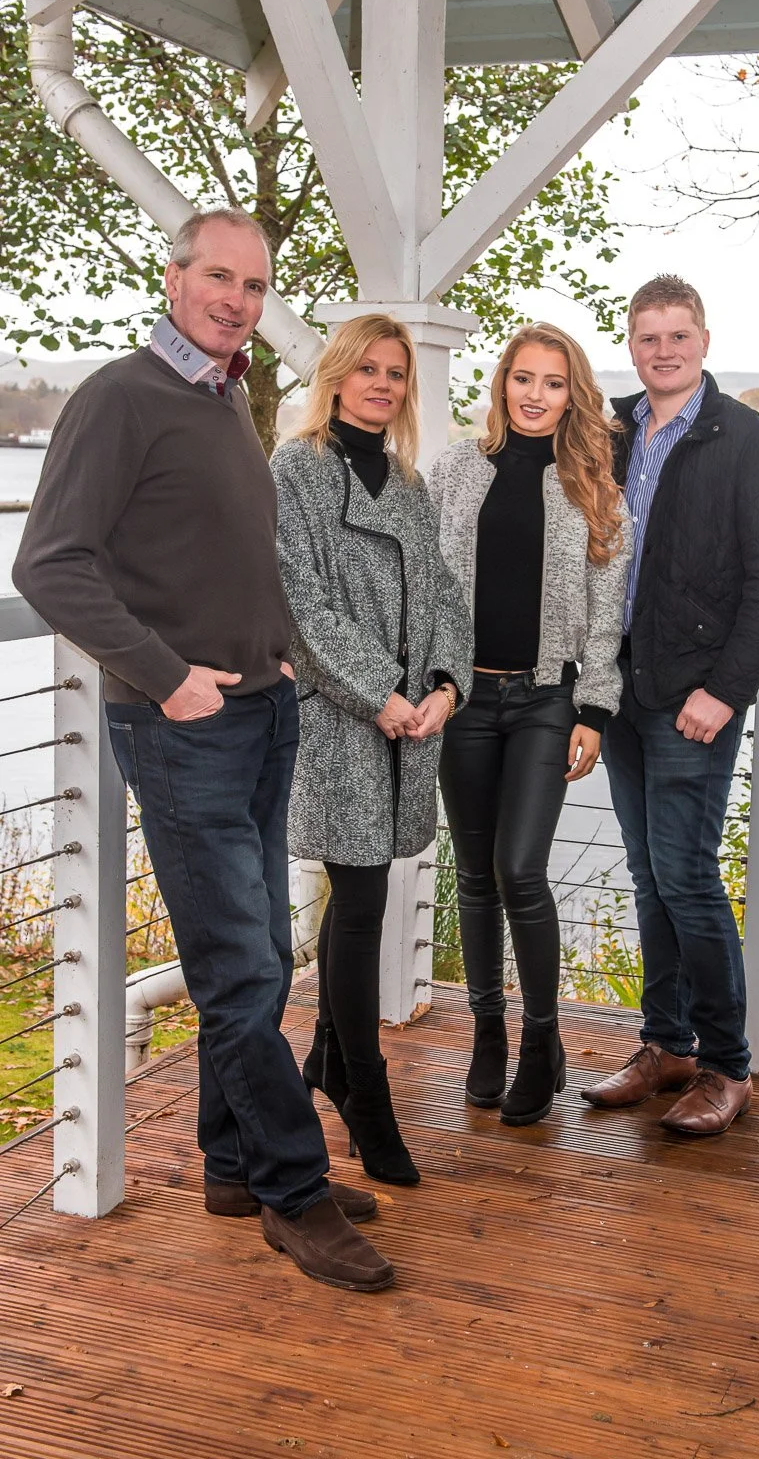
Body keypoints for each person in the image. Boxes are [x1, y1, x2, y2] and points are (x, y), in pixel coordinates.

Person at [12, 208, 393, 1292]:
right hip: (186, 728)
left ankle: (233, 1163)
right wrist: (167, 672)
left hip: (262, 712)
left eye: (254, 284)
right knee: (240, 969)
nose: (236, 299)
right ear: (174, 279)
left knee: (263, 950)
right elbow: (52, 566)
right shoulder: (121, 398)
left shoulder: (222, 398)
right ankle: (294, 1193)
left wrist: (274, 669)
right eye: (217, 277)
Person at [581, 276, 759, 1135]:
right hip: (621, 689)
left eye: (678, 335)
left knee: (687, 875)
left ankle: (725, 1065)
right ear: (630, 345)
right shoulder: (611, 428)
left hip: (693, 699)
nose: (662, 350)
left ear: (703, 340)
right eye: (647, 337)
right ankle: (664, 1045)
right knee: (647, 875)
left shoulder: (747, 438)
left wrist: (725, 690)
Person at [271, 313, 472, 1185]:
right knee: (357, 903)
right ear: (338, 376)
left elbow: (441, 597)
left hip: (406, 722)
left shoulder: (407, 482)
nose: (385, 384)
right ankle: (367, 1096)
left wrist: (444, 685)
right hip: (342, 720)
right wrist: (381, 696)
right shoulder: (297, 471)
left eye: (397, 373)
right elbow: (300, 605)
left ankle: (327, 1061)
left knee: (368, 897)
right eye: (369, 370)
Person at [429, 323, 631, 1126]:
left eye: (552, 382)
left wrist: (596, 710)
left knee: (520, 870)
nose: (535, 394)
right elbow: (425, 579)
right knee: (473, 877)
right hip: (464, 701)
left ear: (571, 393)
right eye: (523, 378)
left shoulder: (593, 489)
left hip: (547, 700)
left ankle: (542, 1038)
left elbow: (607, 619)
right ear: (502, 384)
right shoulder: (455, 468)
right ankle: (489, 1035)